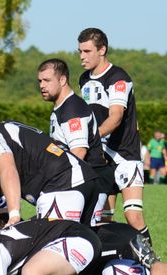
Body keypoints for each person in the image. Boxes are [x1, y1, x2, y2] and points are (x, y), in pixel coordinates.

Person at [0, 106, 100, 227]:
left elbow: (8, 169)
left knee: (50, 250)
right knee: (85, 246)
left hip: (62, 186)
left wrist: (13, 215)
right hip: (84, 179)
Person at [78, 28, 150, 242]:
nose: (82, 56)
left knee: (133, 216)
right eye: (80, 51)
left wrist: (89, 139)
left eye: (87, 51)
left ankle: (153, 265)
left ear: (102, 50)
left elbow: (115, 117)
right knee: (101, 220)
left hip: (125, 156)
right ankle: (108, 270)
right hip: (100, 160)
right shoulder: (83, 79)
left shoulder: (119, 78)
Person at [37, 58, 110, 218]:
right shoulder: (63, 107)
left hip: (86, 184)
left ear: (62, 80)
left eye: (47, 80)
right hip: (82, 183)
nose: (42, 85)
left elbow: (79, 152)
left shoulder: (72, 109)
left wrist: (57, 183)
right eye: (40, 81)